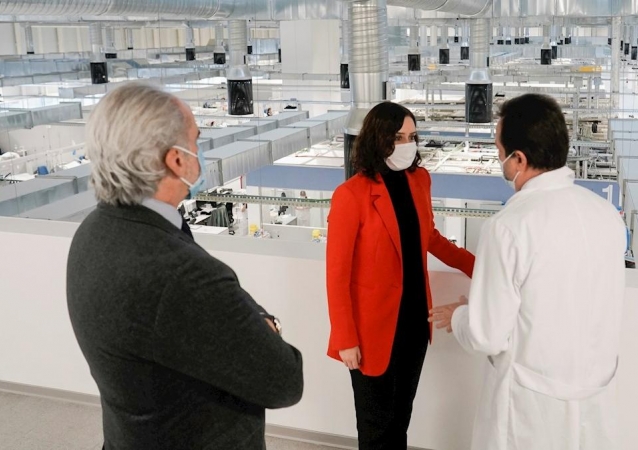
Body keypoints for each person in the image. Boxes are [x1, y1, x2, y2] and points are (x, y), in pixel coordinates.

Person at [66, 82, 303, 450]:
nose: (199, 152)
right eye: (195, 141)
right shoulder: (180, 275)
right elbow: (284, 380)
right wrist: (266, 324)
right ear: (176, 160)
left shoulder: (94, 232)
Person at [430, 94, 627, 450]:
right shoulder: (606, 216)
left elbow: (487, 336)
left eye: (499, 150)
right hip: (595, 396)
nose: (499, 161)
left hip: (529, 408)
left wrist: (461, 314)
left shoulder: (508, 227)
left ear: (518, 159)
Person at [326, 101, 475, 449]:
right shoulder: (351, 195)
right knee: (375, 426)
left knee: (400, 419)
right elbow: (337, 274)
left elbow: (430, 237)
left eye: (412, 136)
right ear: (379, 139)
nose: (408, 144)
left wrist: (478, 266)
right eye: (398, 137)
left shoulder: (420, 180)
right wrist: (346, 337)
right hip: (371, 330)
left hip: (413, 323)